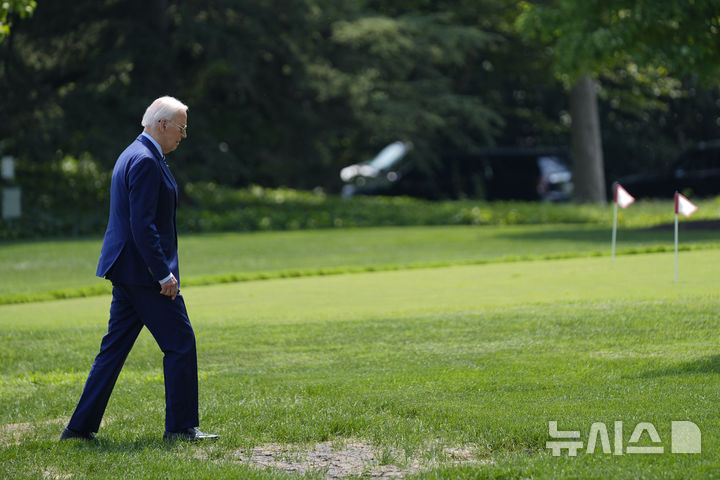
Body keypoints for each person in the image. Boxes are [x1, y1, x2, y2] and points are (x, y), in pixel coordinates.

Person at [61, 96, 218, 442]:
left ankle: (78, 429)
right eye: (182, 127)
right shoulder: (146, 160)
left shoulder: (134, 153)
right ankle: (180, 429)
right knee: (180, 343)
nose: (184, 134)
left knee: (113, 349)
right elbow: (142, 226)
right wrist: (163, 274)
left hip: (127, 269)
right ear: (162, 125)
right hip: (145, 273)